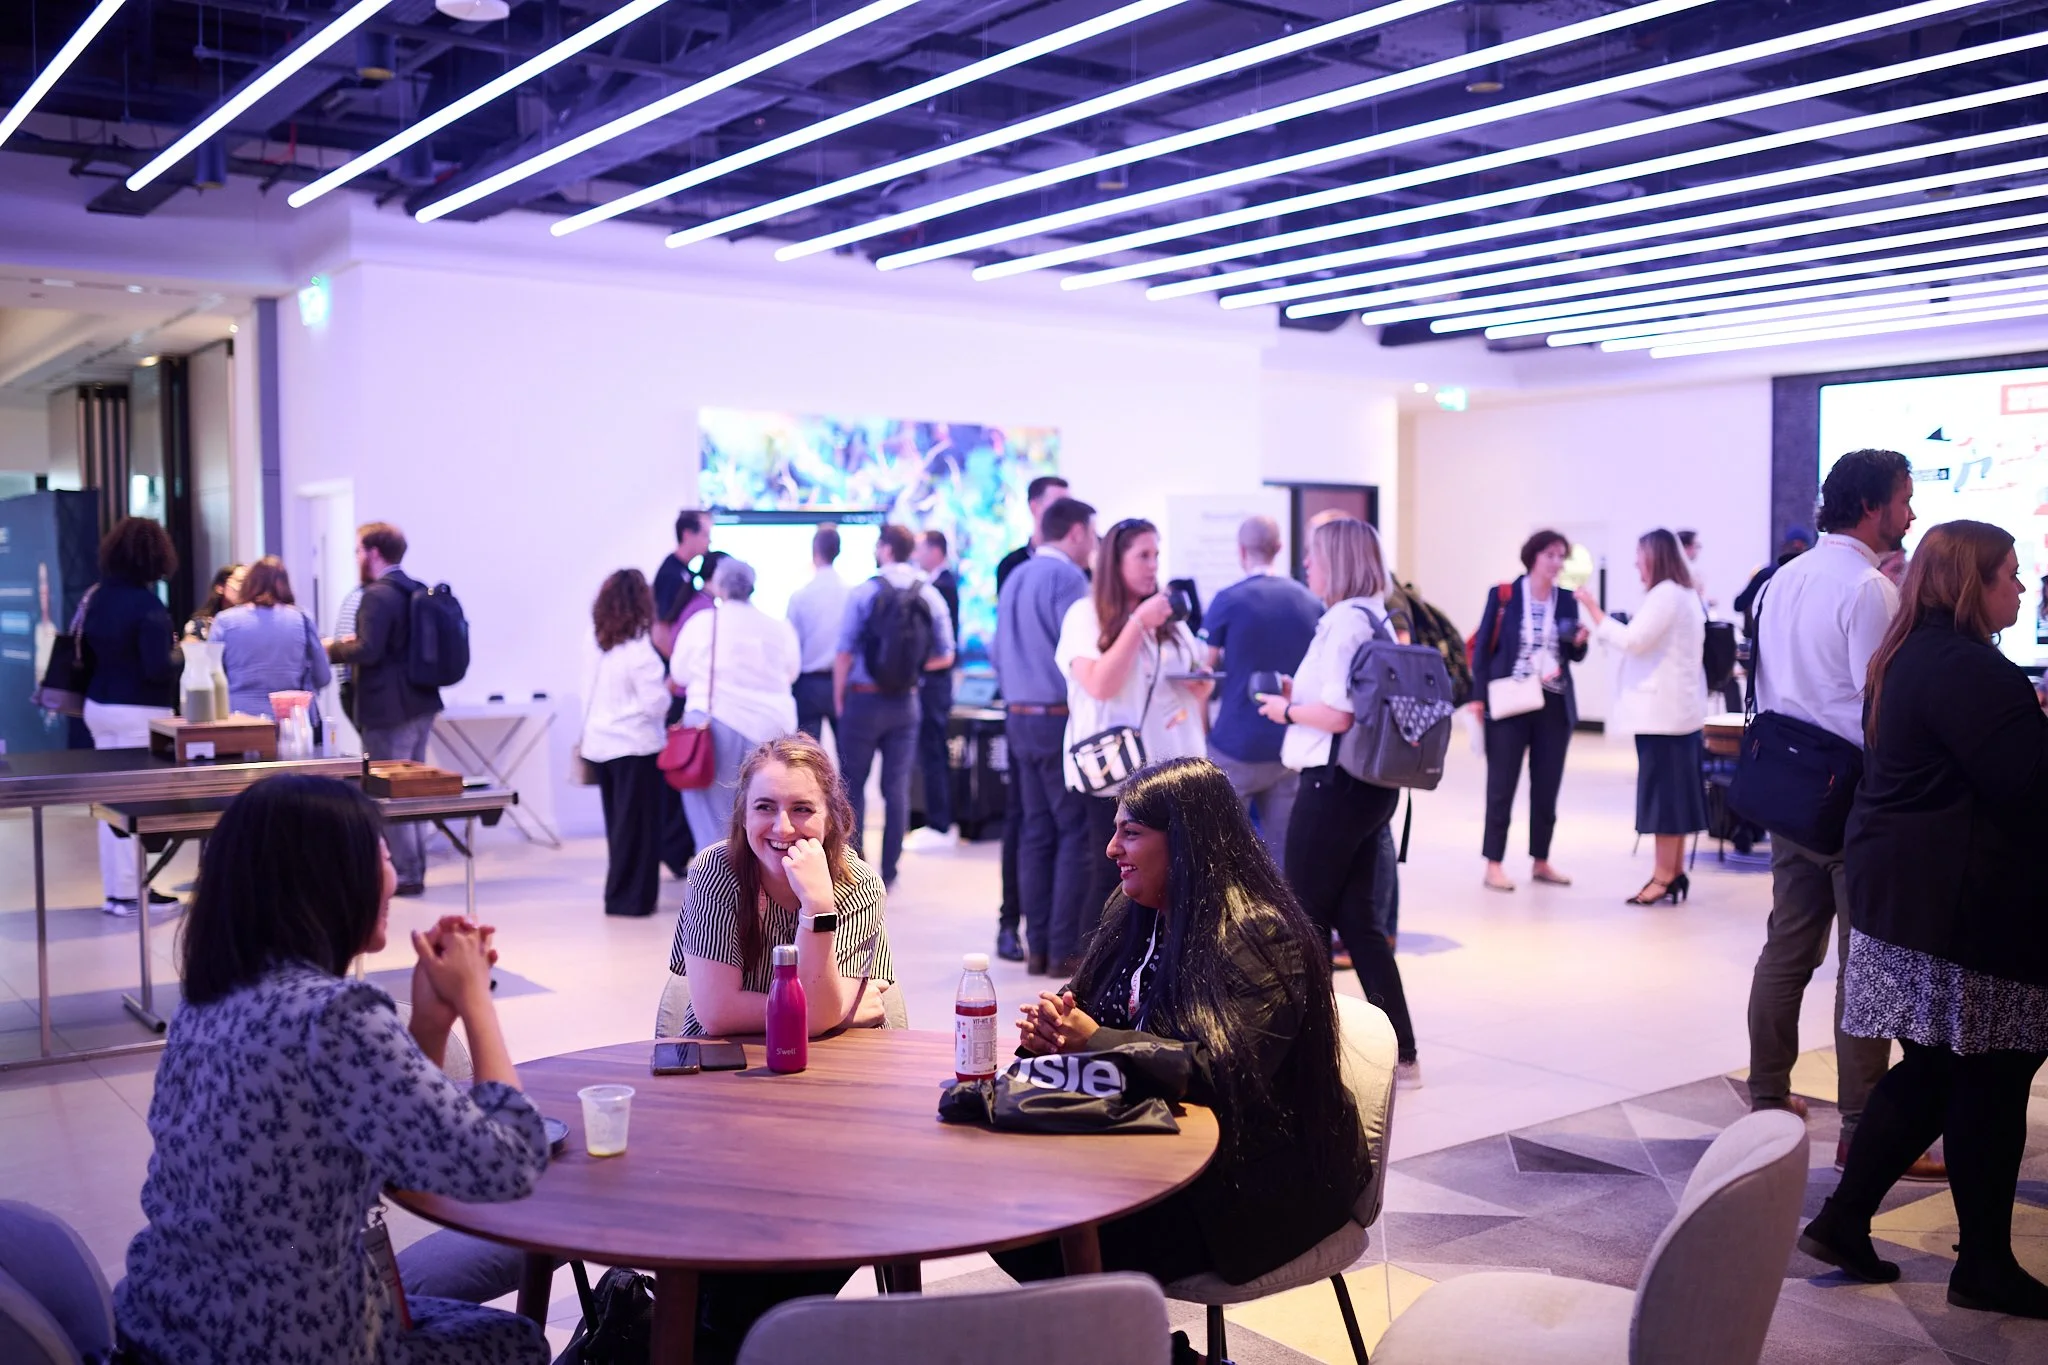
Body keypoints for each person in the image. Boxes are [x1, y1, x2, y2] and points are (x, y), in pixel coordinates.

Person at [113, 775, 548, 1365]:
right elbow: (508, 1165)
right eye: (384, 857)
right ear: (330, 879)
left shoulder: (208, 998)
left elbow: (387, 1134)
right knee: (515, 1343)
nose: (393, 878)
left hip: (168, 1329)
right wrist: (476, 1000)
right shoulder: (334, 1016)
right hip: (286, 1346)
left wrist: (431, 1019)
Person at [996, 757, 1367, 1295]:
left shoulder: (1259, 935)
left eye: (1132, 833)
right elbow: (1103, 1026)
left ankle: (1134, 1350)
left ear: (1187, 841)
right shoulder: (1138, 914)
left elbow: (1226, 1073)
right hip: (1157, 1152)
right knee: (1012, 1207)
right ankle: (1142, 1349)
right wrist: (1056, 1036)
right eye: (1114, 831)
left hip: (1257, 1184)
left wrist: (1092, 1039)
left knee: (1040, 1231)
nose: (1112, 849)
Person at [1799, 522, 2048, 1317]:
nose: (2021, 587)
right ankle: (1982, 1266)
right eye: (2010, 574)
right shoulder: (1974, 671)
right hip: (1960, 907)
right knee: (1994, 1070)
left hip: (1905, 898)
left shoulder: (1909, 653)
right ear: (1973, 584)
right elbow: (2029, 789)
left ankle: (1843, 1219)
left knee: (1941, 1065)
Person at [667, 735, 895, 1356]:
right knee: (733, 1223)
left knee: (834, 1213)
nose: (783, 826)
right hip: (722, 1095)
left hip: (831, 1093)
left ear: (832, 815)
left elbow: (811, 1017)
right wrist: (835, 1009)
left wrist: (816, 906)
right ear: (744, 814)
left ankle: (733, 1332)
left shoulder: (853, 883)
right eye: (765, 807)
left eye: (802, 809)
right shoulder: (717, 873)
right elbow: (715, 1013)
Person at [1742, 449, 1923, 1173]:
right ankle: (1860, 1127)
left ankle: (1765, 1098)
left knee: (1786, 948)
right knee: (1863, 963)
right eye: (1905, 500)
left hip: (1789, 791)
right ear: (1875, 507)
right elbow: (1877, 707)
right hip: (1852, 798)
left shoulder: (1782, 579)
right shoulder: (1868, 589)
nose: (1911, 515)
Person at [1257, 516, 1421, 1086]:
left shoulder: (1343, 624)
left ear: (1338, 562)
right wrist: (1296, 696)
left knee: (1306, 918)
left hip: (1332, 785)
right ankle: (1400, 1052)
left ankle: (1315, 1056)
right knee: (1357, 921)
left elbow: (1338, 714)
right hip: (1366, 788)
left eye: (1315, 556)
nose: (1307, 565)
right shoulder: (1375, 616)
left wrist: (1286, 711)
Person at [1059, 518, 1211, 974]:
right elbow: (1101, 683)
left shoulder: (1171, 624)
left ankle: (1163, 974)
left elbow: (1198, 686)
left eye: (1156, 556)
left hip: (1174, 769)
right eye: (1143, 556)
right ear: (1116, 561)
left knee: (1175, 879)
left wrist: (1200, 681)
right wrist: (1136, 625)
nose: (1153, 567)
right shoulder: (1085, 616)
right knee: (1111, 880)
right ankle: (1094, 977)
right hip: (1113, 774)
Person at [1575, 529, 1708, 905]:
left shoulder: (1666, 594)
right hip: (1676, 714)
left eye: (1640, 556)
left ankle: (1663, 876)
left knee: (1664, 799)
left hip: (1663, 717)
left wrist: (1594, 610)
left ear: (1655, 557)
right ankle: (1674, 871)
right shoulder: (1683, 594)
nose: (1636, 563)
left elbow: (1634, 640)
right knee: (1674, 798)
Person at [995, 497, 1098, 975]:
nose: (1095, 545)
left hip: (1018, 715)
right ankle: (1064, 952)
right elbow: (1080, 657)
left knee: (1036, 833)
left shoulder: (1016, 575)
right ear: (1075, 532)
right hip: (1056, 717)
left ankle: (1038, 948)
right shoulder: (1069, 580)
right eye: (1092, 535)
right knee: (1074, 832)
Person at [832, 523, 955, 888]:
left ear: (885, 549)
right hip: (906, 702)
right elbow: (945, 654)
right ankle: (890, 869)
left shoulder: (864, 591)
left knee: (852, 785)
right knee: (896, 786)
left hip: (864, 700)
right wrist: (912, 668)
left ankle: (855, 866)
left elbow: (843, 652)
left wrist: (840, 698)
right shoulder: (929, 593)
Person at [1467, 530, 1589, 893]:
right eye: (1550, 554)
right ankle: (1494, 863)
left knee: (1547, 785)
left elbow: (1574, 655)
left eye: (1561, 556)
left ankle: (1541, 860)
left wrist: (1580, 643)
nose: (1556, 563)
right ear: (1533, 556)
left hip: (1553, 703)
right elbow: (1483, 648)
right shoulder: (1504, 594)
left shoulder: (1566, 600)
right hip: (1509, 699)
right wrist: (1478, 697)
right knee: (1501, 784)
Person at [326, 522, 443, 898]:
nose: (357, 558)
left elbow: (370, 651)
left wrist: (333, 648)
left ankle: (405, 873)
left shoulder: (376, 595)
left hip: (387, 709)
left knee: (388, 791)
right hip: (421, 702)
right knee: (411, 793)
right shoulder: (414, 588)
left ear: (374, 553)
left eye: (359, 550)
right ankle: (413, 868)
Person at [1199, 514, 1323, 868]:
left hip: (1235, 743)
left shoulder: (1228, 600)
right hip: (1288, 742)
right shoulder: (1309, 601)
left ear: (1240, 551)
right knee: (1285, 855)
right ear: (1280, 548)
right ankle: (1283, 923)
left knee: (1220, 852)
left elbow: (1203, 669)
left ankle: (1228, 922)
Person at [82, 517, 183, 917]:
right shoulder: (148, 606)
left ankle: (120, 890)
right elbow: (157, 667)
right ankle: (129, 892)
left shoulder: (98, 597)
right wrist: (186, 652)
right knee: (135, 804)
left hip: (98, 706)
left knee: (109, 803)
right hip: (137, 711)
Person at [993, 475, 1073, 965]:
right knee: (1027, 824)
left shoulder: (1051, 572)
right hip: (1033, 713)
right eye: (1056, 506)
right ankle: (1016, 925)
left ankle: (1039, 936)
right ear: (1034, 507)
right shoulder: (1017, 567)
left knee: (1040, 826)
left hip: (1034, 713)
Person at [673, 557, 802, 850]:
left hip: (712, 722)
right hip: (771, 729)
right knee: (763, 810)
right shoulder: (778, 627)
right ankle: (760, 881)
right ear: (752, 586)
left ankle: (715, 879)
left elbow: (679, 672)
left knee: (710, 816)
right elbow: (792, 672)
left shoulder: (703, 623)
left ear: (719, 586)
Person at [582, 569, 671, 918]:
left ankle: (617, 895)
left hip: (601, 746)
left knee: (619, 828)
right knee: (640, 830)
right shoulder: (640, 653)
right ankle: (634, 900)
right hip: (636, 746)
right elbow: (655, 705)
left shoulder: (598, 647)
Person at [210, 556, 333, 719]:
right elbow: (323, 676)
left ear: (249, 583)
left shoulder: (224, 621)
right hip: (291, 719)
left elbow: (209, 675)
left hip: (237, 719)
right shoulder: (302, 619)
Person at [905, 528, 962, 850]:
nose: (917, 555)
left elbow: (944, 648)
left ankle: (940, 824)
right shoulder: (938, 584)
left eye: (921, 549)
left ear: (937, 551)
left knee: (933, 753)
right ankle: (937, 822)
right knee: (930, 753)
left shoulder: (942, 587)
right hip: (934, 684)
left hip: (935, 685)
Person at [785, 523, 850, 743]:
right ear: (838, 552)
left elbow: (791, 646)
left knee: (807, 761)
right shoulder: (851, 595)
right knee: (847, 760)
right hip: (842, 682)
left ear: (814, 552)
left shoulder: (800, 596)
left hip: (807, 685)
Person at [996, 475, 1071, 598]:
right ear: (1034, 507)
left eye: (1070, 505)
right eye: (1058, 505)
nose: (1067, 513)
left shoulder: (1080, 561)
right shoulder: (1011, 565)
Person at [654, 508, 713, 624]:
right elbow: (664, 625)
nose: (710, 541)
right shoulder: (671, 575)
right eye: (705, 535)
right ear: (687, 535)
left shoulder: (685, 571)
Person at [182, 562, 245, 641]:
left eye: (251, 583)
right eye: (241, 582)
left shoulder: (254, 624)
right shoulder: (200, 626)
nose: (247, 588)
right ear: (220, 588)